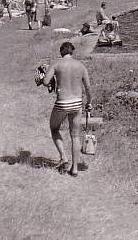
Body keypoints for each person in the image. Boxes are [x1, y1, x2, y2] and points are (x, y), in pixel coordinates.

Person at [43, 42, 92, 177]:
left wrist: (53, 78)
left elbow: (46, 82)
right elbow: (88, 88)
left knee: (54, 128)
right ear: (72, 52)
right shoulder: (80, 65)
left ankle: (64, 157)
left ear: (61, 52)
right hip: (77, 103)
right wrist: (89, 102)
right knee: (75, 135)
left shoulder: (56, 64)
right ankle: (74, 168)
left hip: (63, 103)